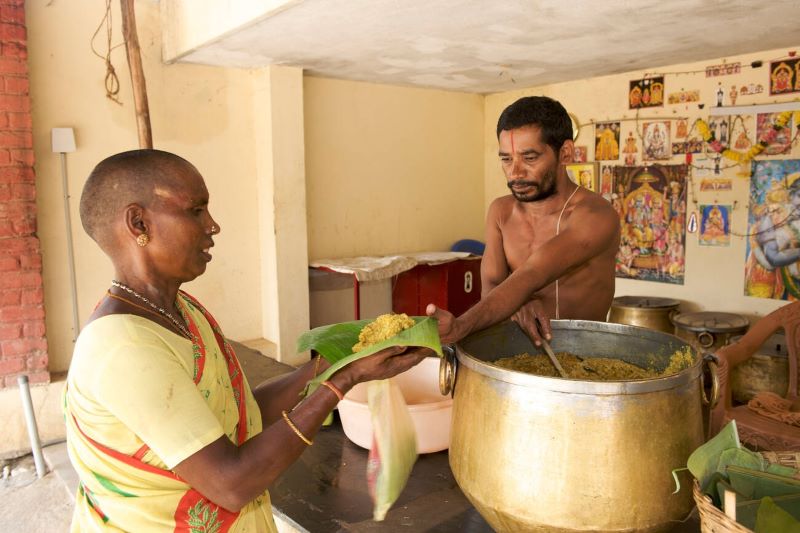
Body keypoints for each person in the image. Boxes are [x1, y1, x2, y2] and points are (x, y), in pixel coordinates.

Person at [64, 150, 432, 532]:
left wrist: (333, 361)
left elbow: (242, 415)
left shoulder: (179, 309)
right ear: (139, 223)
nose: (213, 225)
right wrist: (343, 381)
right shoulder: (124, 347)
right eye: (196, 211)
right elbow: (231, 483)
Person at [428, 96, 620, 345]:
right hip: (515, 357)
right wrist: (519, 303)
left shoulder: (596, 215)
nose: (515, 173)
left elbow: (533, 273)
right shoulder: (501, 212)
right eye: (506, 159)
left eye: (530, 158)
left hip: (583, 360)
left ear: (565, 153)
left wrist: (461, 326)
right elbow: (492, 286)